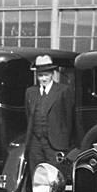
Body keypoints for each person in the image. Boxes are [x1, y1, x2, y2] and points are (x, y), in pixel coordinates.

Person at [25, 55, 75, 183]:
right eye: (40, 75)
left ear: (52, 74)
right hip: (35, 143)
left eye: (46, 75)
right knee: (37, 177)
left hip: (55, 144)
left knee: (54, 179)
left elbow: (69, 118)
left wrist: (68, 144)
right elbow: (28, 116)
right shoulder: (30, 92)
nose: (43, 78)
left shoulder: (63, 90)